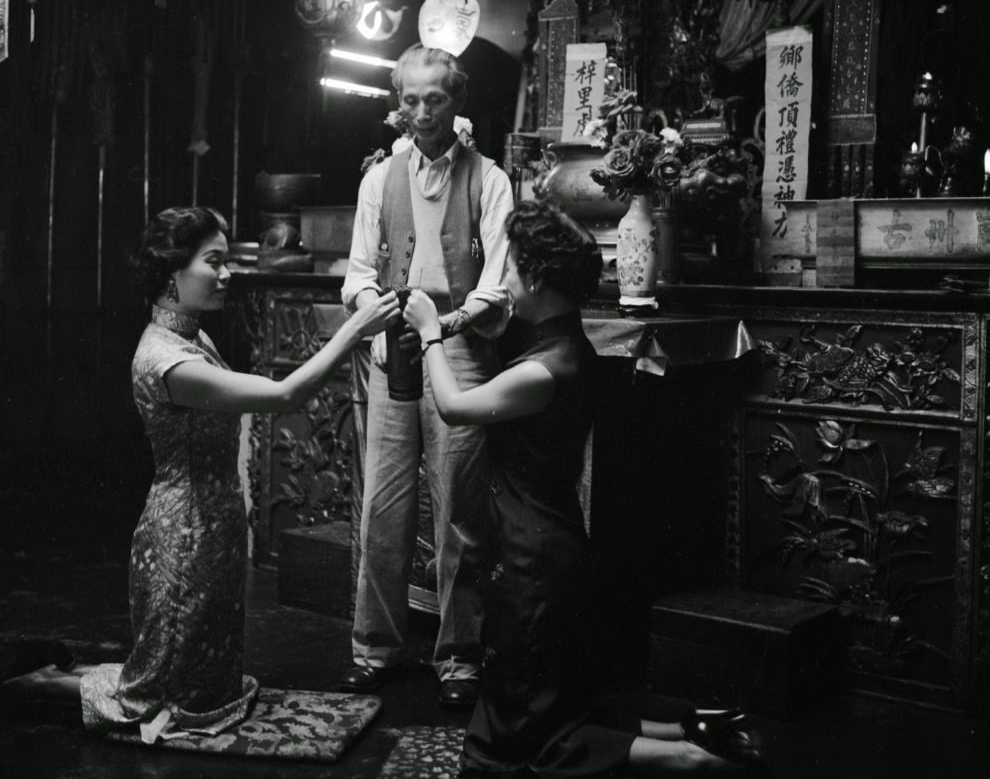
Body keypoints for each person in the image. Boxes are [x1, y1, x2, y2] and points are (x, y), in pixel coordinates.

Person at [0, 206, 400, 742]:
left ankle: (52, 672)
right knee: (156, 703)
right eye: (214, 261)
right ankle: (27, 688)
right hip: (183, 537)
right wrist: (355, 328)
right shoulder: (165, 359)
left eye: (228, 260)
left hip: (215, 528)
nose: (227, 273)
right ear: (172, 272)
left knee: (203, 685)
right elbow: (285, 395)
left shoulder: (194, 337)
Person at [401, 199, 768, 777]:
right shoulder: (567, 342)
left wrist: (429, 334)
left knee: (530, 736)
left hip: (532, 556)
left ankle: (686, 758)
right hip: (551, 540)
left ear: (538, 279)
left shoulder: (545, 368)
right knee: (547, 698)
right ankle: (700, 730)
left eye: (514, 269)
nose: (505, 280)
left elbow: (452, 408)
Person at [339, 44, 514, 708]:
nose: (420, 112)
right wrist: (372, 306)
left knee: (459, 516)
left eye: (433, 99)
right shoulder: (379, 180)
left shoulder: (488, 178)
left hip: (460, 355)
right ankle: (374, 647)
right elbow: (357, 272)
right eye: (409, 99)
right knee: (383, 508)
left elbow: (500, 283)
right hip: (392, 353)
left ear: (457, 100)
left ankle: (459, 655)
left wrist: (450, 321)